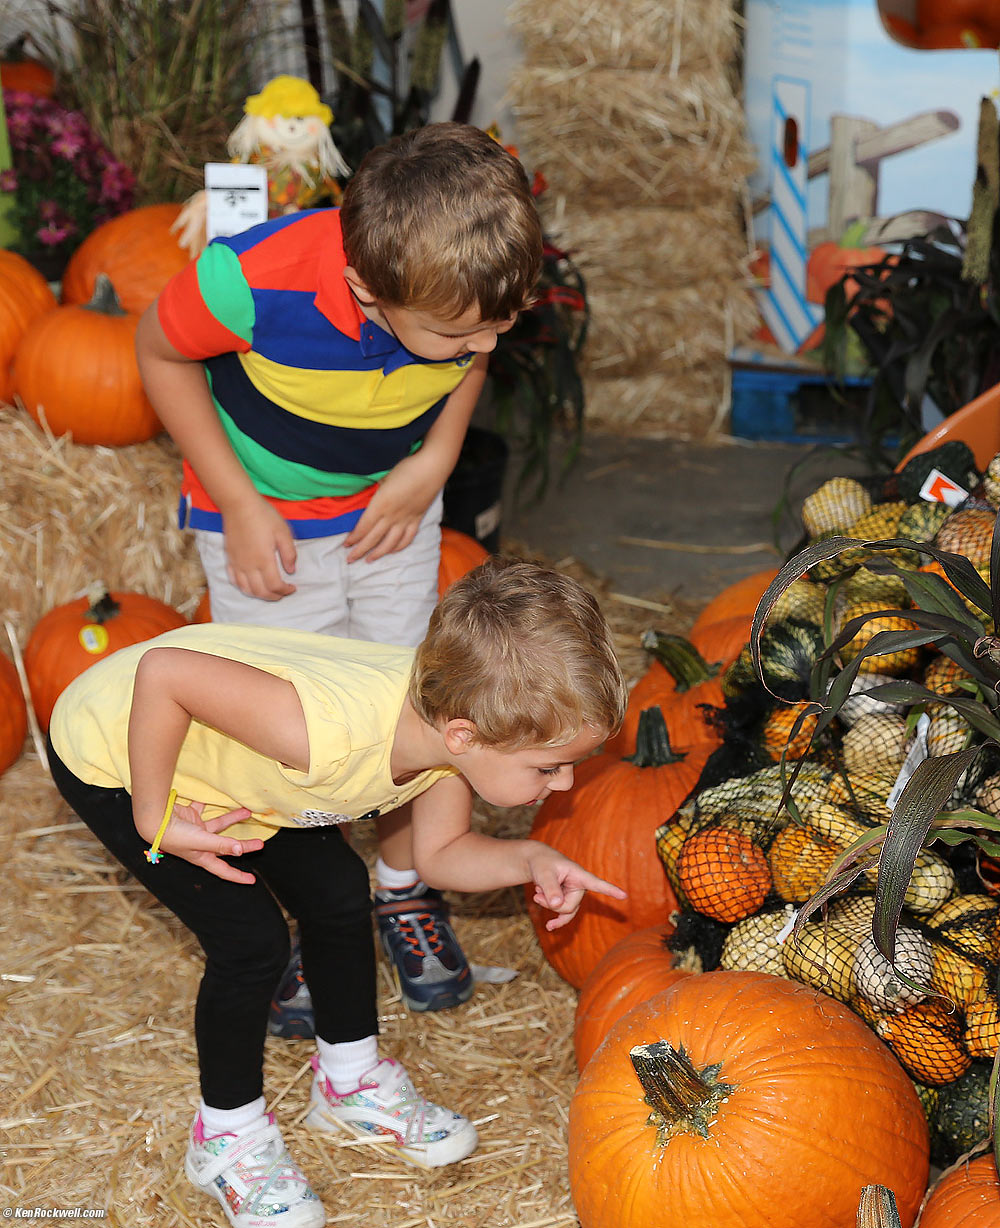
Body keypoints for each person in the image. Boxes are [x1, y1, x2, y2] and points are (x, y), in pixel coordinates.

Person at [46, 557, 628, 1228]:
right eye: (548, 768)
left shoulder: (446, 742)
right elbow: (163, 674)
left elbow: (440, 857)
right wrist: (153, 813)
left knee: (342, 889)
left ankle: (347, 1083)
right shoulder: (324, 732)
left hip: (251, 773)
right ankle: (224, 1137)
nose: (563, 786)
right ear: (467, 735)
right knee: (251, 941)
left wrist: (530, 858)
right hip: (121, 752)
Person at [135, 121, 544, 1023]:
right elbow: (157, 353)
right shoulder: (252, 280)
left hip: (389, 509)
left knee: (414, 704)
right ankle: (319, 915)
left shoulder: (462, 295)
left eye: (498, 328)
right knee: (290, 730)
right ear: (366, 288)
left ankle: (403, 884)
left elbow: (474, 354)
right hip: (264, 522)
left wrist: (432, 465)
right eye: (454, 332)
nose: (483, 345)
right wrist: (239, 504)